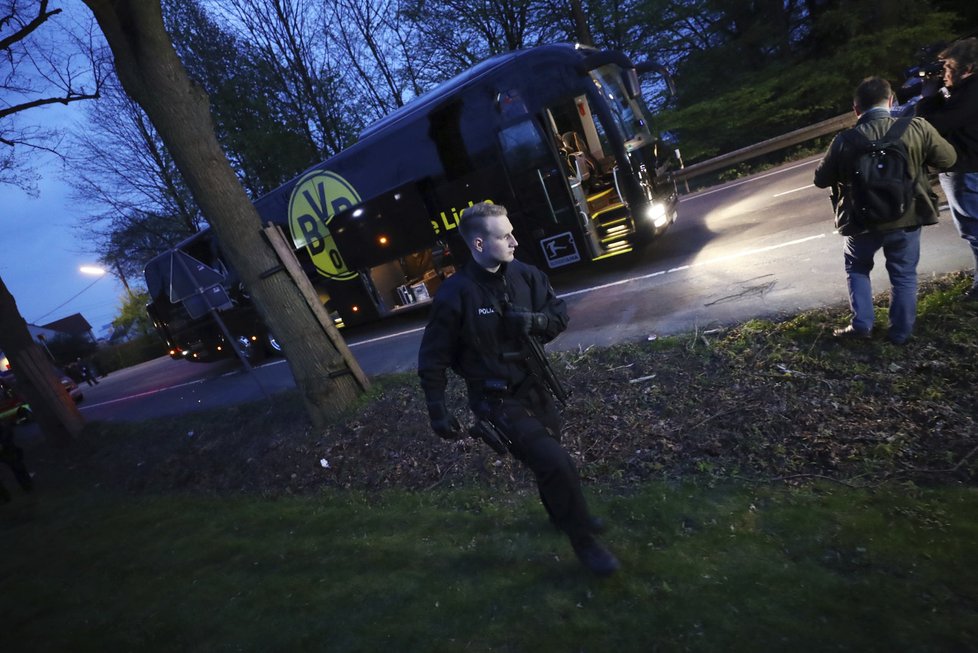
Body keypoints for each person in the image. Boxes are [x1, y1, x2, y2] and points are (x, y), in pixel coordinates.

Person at [417, 202, 619, 576]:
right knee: (556, 462)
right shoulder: (456, 294)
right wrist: (437, 409)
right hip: (496, 399)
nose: (514, 240)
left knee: (549, 462)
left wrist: (535, 320)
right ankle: (585, 543)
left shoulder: (526, 276)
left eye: (511, 231)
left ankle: (563, 517)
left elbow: (559, 316)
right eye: (503, 235)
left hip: (536, 386)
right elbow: (433, 357)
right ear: (478, 244)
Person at [814, 76, 957, 344]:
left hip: (862, 220)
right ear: (891, 101)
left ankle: (862, 325)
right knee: (903, 274)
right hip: (908, 215)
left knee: (856, 266)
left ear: (856, 109)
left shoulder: (844, 140)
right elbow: (948, 158)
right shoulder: (917, 127)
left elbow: (821, 179)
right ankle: (900, 334)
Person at [914, 37, 978, 301]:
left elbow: (931, 125)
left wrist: (926, 98)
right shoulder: (963, 91)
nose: (945, 74)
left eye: (949, 68)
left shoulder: (972, 92)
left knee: (975, 231)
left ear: (968, 68)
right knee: (973, 232)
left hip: (968, 169)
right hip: (963, 168)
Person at [0, 421, 33, 504]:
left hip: (7, 449)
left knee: (17, 466)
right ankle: (26, 485)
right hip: (6, 449)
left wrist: (3, 443)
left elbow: (7, 431)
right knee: (17, 466)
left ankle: (26, 485)